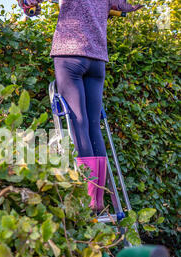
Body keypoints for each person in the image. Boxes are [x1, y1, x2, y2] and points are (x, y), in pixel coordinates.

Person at [20, 0, 143, 212]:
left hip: (70, 56)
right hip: (97, 61)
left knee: (78, 123)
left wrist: (27, 6)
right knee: (94, 126)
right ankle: (98, 198)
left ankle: (88, 198)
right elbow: (125, 6)